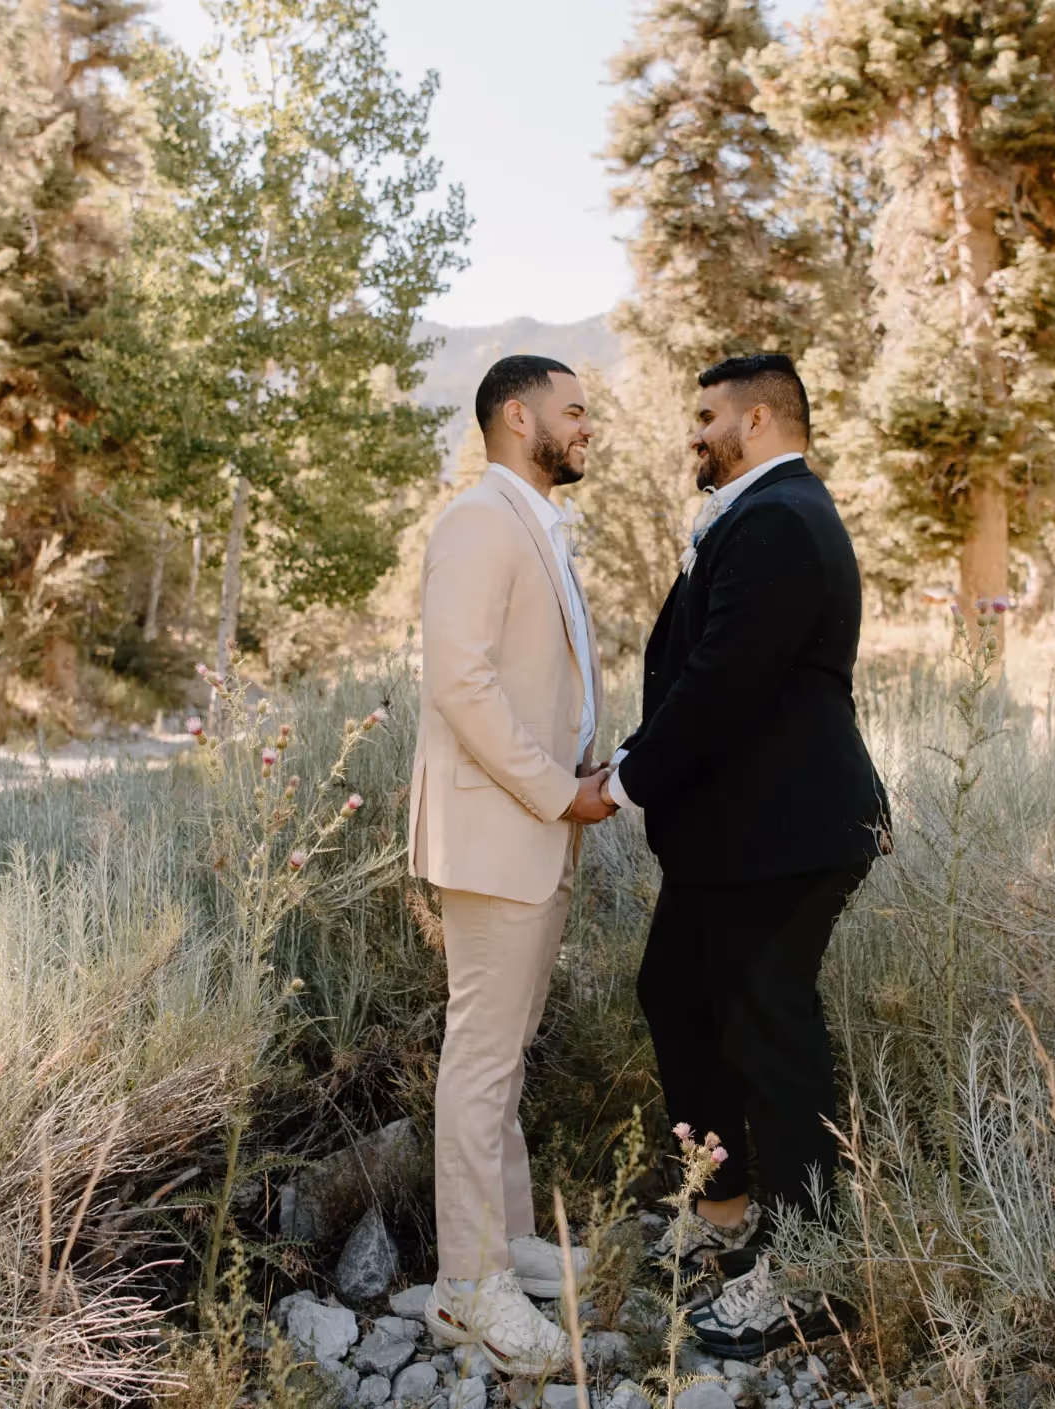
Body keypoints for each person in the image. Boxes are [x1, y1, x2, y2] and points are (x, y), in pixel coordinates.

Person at [599, 353, 889, 1359]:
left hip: (785, 835)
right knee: (676, 995)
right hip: (741, 837)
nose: (695, 432)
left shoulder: (777, 521)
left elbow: (722, 681)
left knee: (774, 1041)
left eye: (708, 414)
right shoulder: (766, 516)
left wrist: (625, 777)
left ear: (761, 420)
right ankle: (723, 1216)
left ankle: (809, 1271)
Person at [409, 353, 614, 1375]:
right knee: (482, 1053)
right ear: (516, 413)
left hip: (540, 823)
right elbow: (459, 678)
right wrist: (553, 787)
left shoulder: (533, 523)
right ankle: (467, 1287)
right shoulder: (480, 521)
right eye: (576, 410)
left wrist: (584, 761)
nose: (588, 426)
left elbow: (531, 676)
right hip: (501, 828)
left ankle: (512, 1237)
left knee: (507, 1044)